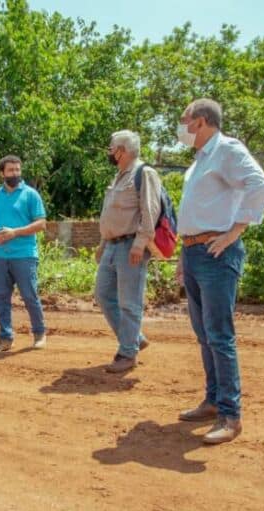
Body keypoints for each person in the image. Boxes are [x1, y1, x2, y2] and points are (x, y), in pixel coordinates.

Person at [174, 99, 264, 444]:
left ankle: (231, 416)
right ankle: (213, 401)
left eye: (184, 120)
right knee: (205, 334)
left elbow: (259, 185)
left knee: (219, 335)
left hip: (217, 254)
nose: (180, 126)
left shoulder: (227, 150)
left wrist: (235, 231)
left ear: (200, 122)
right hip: (196, 252)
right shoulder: (201, 159)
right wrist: (184, 256)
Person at [95, 130, 162, 373]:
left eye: (111, 148)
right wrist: (102, 244)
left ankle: (127, 353)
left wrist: (140, 243)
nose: (109, 153)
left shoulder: (144, 173)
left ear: (122, 150)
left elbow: (150, 209)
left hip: (130, 245)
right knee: (102, 294)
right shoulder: (119, 176)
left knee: (129, 302)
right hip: (112, 245)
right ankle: (134, 338)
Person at [0, 154, 48, 352]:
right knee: (1, 297)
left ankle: (39, 334)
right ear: (2, 173)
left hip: (25, 255)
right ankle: (5, 338)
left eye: (18, 170)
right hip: (1, 256)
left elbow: (42, 223)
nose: (15, 173)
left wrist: (15, 232)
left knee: (29, 295)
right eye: (10, 170)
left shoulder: (30, 194)